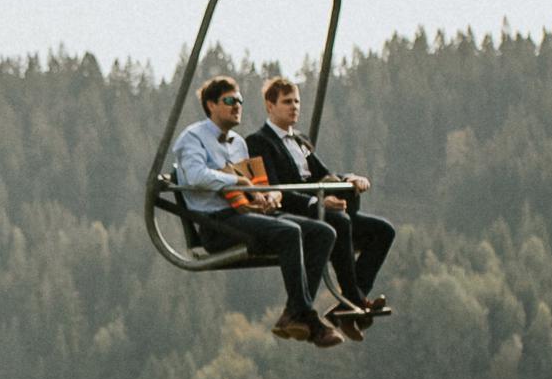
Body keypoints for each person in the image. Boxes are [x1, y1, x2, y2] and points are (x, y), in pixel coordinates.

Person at [166, 76, 345, 345]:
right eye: (229, 100)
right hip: (217, 223)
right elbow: (195, 176)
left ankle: (296, 311)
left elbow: (253, 182)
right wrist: (235, 181)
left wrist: (267, 195)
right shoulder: (193, 138)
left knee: (323, 232)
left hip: (246, 213)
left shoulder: (238, 143)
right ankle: (304, 315)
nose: (237, 105)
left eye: (239, 100)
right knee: (289, 232)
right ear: (211, 105)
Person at [250, 75, 394, 326]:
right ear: (270, 106)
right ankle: (352, 298)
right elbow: (274, 189)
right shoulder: (259, 142)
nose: (294, 107)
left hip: (323, 208)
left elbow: (323, 174)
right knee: (339, 223)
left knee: (383, 231)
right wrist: (317, 204)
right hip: (298, 212)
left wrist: (349, 178)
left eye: (297, 101)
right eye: (287, 102)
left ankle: (353, 297)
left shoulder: (300, 141)